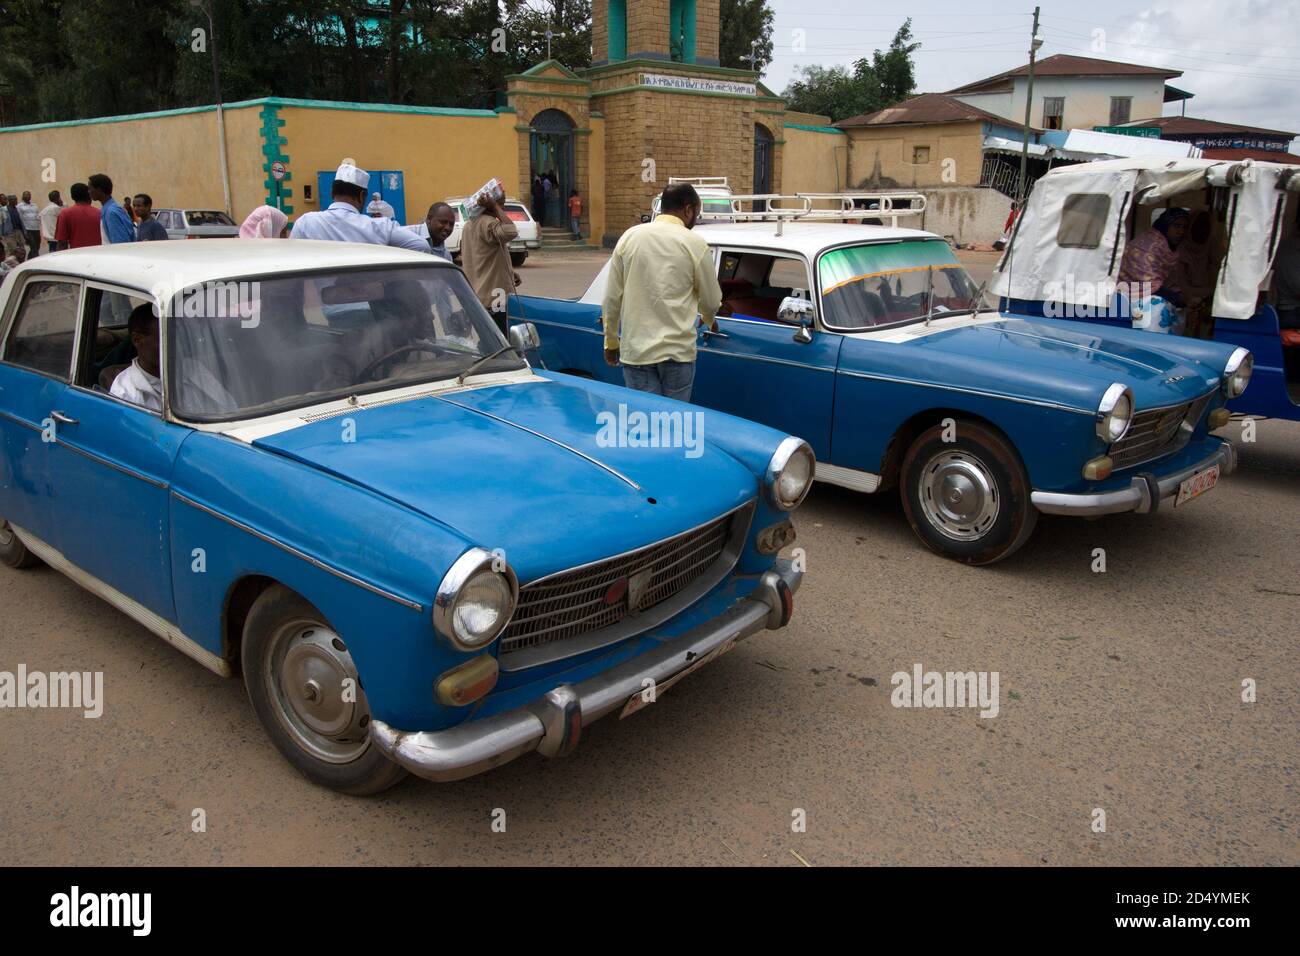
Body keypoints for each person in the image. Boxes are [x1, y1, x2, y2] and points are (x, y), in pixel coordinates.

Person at [602, 182, 722, 402]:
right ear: (688, 209)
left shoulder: (629, 237)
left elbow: (611, 298)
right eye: (697, 211)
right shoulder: (694, 243)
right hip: (677, 353)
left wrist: (611, 342)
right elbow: (712, 299)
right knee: (673, 424)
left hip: (637, 352)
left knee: (645, 424)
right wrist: (708, 318)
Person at [290, 162, 428, 251]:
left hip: (320, 296)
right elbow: (421, 246)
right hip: (368, 296)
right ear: (362, 196)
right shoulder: (382, 227)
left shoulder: (306, 223)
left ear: (332, 193)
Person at [1118, 207, 1191, 333]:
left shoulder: (1172, 249)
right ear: (1165, 225)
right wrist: (1175, 297)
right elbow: (1146, 285)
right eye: (1176, 226)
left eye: (1184, 228)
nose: (1181, 231)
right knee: (1156, 304)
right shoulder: (1148, 247)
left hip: (1149, 294)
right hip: (1127, 296)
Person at [459, 189, 521, 335]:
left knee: (488, 339)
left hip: (477, 296)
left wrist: (509, 273)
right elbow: (511, 231)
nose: (503, 209)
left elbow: (484, 257)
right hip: (495, 297)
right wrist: (495, 207)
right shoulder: (488, 223)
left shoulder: (469, 224)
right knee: (501, 339)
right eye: (502, 205)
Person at [110, 304, 164, 412]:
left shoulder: (194, 370)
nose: (175, 346)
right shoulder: (124, 392)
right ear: (137, 339)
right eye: (164, 340)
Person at [88, 173, 135, 244]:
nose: (89, 192)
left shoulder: (111, 213)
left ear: (99, 189)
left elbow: (120, 244)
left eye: (90, 188)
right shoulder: (109, 210)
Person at [54, 183, 102, 250]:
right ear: (89, 195)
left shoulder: (65, 214)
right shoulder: (100, 213)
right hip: (98, 255)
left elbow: (62, 243)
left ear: (72, 197)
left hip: (77, 256)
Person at [17, 191, 41, 258]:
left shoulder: (34, 205)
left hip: (36, 228)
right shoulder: (19, 206)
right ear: (23, 196)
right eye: (26, 195)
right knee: (33, 247)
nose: (28, 196)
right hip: (28, 229)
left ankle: (29, 259)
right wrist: (23, 232)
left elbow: (37, 215)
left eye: (29, 195)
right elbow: (20, 219)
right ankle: (35, 261)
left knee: (37, 246)